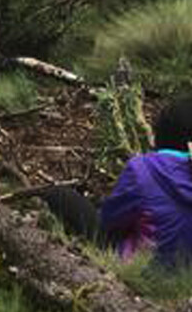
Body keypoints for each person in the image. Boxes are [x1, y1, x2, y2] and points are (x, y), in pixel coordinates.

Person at [42, 96, 192, 267]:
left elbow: (110, 221)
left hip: (139, 270)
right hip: (186, 278)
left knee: (60, 196)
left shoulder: (143, 169)